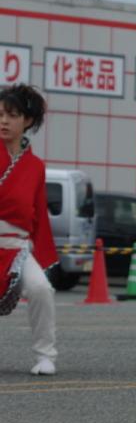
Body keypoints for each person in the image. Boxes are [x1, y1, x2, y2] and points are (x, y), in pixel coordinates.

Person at [0, 85, 58, 375]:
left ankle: (45, 355)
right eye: (0, 114)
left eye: (12, 115)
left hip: (18, 247)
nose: (4, 121)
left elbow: (37, 212)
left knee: (40, 288)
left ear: (29, 121)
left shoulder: (35, 166)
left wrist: (39, 247)